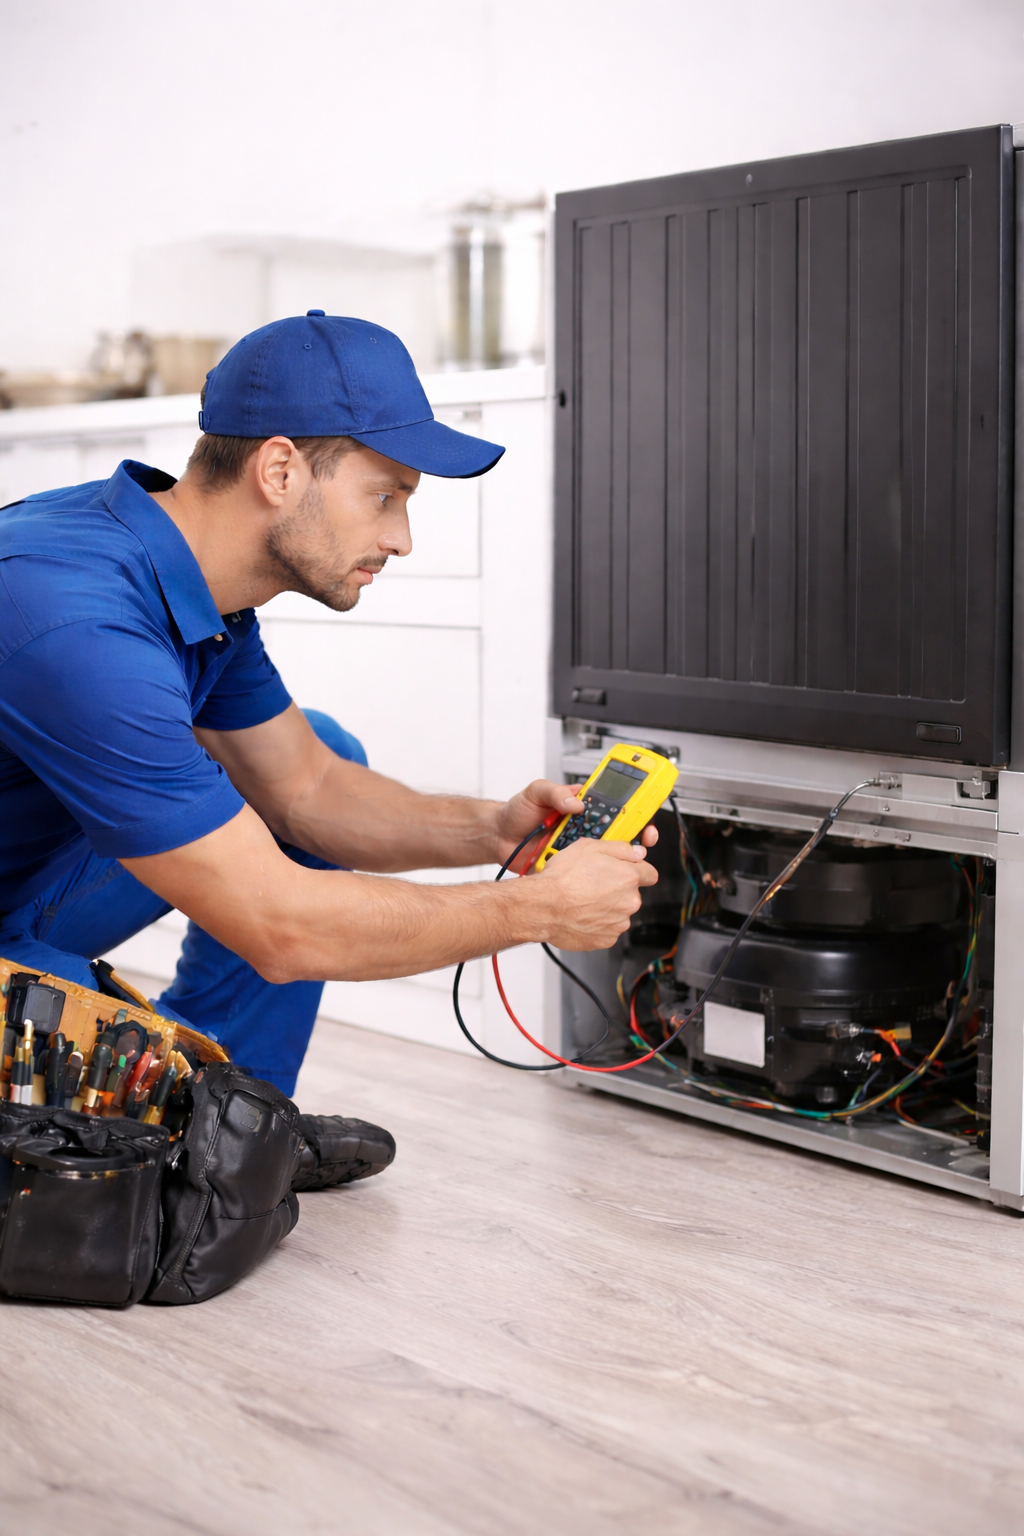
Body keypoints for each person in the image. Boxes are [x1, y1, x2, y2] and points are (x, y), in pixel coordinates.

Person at [0, 312, 658, 1190]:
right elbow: (280, 925)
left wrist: (495, 832)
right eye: (385, 496)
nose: (401, 538)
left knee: (313, 754)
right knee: (74, 1170)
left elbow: (306, 787)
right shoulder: (74, 615)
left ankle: (237, 1122)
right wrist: (535, 910)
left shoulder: (196, 581)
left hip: (25, 886)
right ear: (280, 470)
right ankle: (191, 1128)